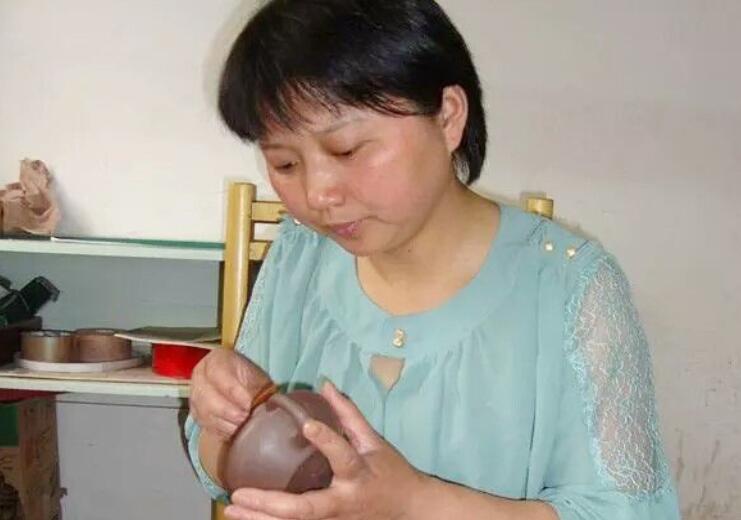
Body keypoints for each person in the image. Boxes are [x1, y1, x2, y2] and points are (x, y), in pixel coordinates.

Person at [185, 1, 681, 518]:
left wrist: (415, 504)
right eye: (285, 163)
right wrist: (229, 422)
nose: (318, 194)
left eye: (348, 150)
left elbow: (626, 512)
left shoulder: (572, 286)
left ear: (447, 117)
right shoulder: (300, 256)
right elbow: (223, 469)